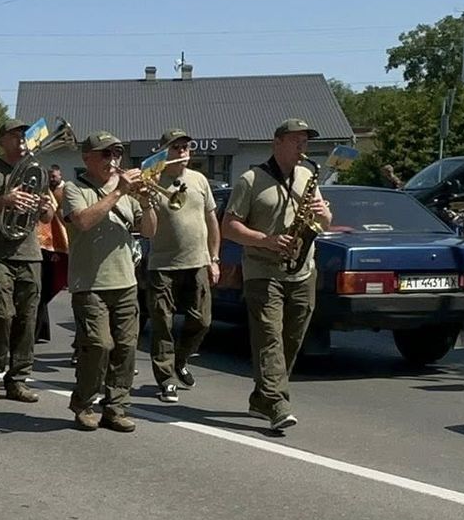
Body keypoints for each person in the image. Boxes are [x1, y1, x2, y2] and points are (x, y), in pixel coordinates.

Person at [222, 119, 330, 431]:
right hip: (262, 270)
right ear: (277, 143)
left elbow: (325, 220)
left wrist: (324, 214)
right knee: (269, 337)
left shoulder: (308, 175)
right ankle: (278, 404)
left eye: (305, 142)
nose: (302, 148)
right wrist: (266, 240)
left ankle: (261, 398)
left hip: (302, 269)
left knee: (291, 340)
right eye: (296, 141)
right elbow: (229, 226)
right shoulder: (251, 179)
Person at [60, 131, 155, 432]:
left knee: (126, 347)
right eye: (105, 154)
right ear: (87, 158)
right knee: (98, 345)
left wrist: (149, 203)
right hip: (90, 283)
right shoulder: (74, 188)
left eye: (116, 154)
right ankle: (84, 402)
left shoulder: (126, 192)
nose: (113, 160)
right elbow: (84, 222)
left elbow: (150, 231)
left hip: (125, 281)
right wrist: (118, 192)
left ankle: (116, 407)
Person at [0, 119, 52, 404]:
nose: (21, 140)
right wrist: (3, 201)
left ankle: (18, 379)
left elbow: (46, 219)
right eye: (14, 136)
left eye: (23, 136)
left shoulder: (35, 171)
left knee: (28, 321)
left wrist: (47, 208)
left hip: (30, 254)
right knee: (1, 316)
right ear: (1, 140)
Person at [142, 129, 219, 403]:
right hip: (162, 264)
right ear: (164, 152)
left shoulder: (199, 180)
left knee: (202, 320)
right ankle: (166, 379)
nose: (182, 152)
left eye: (186, 147)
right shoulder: (151, 181)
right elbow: (146, 228)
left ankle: (180, 360)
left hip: (197, 261)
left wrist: (215, 258)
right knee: (162, 323)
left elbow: (212, 220)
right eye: (176, 147)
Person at [34, 165, 70, 345]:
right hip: (42, 242)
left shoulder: (66, 191)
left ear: (60, 175)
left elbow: (65, 217)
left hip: (59, 243)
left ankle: (38, 329)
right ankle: (38, 329)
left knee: (47, 286)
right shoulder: (43, 191)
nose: (52, 179)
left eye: (54, 176)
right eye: (49, 177)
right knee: (39, 288)